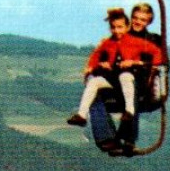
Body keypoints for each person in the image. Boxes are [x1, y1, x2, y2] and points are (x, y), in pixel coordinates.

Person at [67, 8, 159, 153]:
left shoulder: (136, 41)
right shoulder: (108, 42)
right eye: (114, 27)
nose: (117, 31)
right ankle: (82, 115)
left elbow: (156, 54)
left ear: (127, 26)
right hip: (113, 79)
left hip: (130, 77)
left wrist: (136, 63)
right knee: (94, 82)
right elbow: (95, 56)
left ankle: (129, 111)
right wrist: (96, 66)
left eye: (120, 27)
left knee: (126, 77)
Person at [112, 2, 169, 152]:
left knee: (134, 89)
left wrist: (136, 63)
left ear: (149, 22)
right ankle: (106, 137)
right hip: (120, 79)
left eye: (143, 20)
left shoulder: (154, 40)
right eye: (136, 18)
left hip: (143, 82)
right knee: (96, 94)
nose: (138, 22)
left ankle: (126, 138)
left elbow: (162, 63)